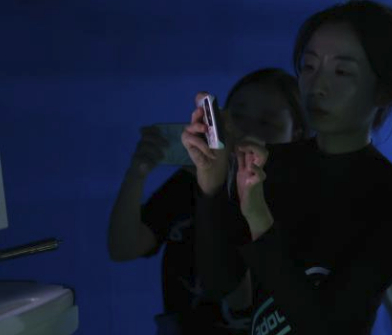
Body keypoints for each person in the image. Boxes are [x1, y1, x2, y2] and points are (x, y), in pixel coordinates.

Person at [186, 0, 392, 335]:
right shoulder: (271, 165)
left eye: (341, 72)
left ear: (385, 92)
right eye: (309, 66)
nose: (317, 86)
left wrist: (260, 220)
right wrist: (211, 187)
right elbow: (219, 284)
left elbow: (327, 327)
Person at [107, 68, 308, 335]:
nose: (247, 131)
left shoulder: (297, 199)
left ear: (296, 133)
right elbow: (123, 248)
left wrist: (225, 190)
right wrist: (137, 173)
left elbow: (239, 297)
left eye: (266, 123)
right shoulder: (191, 181)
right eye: (238, 116)